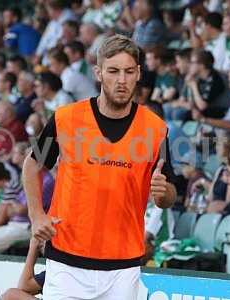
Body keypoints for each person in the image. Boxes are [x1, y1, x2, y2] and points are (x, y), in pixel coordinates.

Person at [23, 34, 176, 299]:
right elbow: (32, 164)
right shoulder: (66, 118)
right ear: (98, 72)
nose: (122, 80)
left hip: (123, 265)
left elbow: (168, 195)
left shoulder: (156, 129)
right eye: (113, 71)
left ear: (139, 73)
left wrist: (164, 194)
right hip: (66, 261)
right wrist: (37, 215)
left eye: (129, 72)